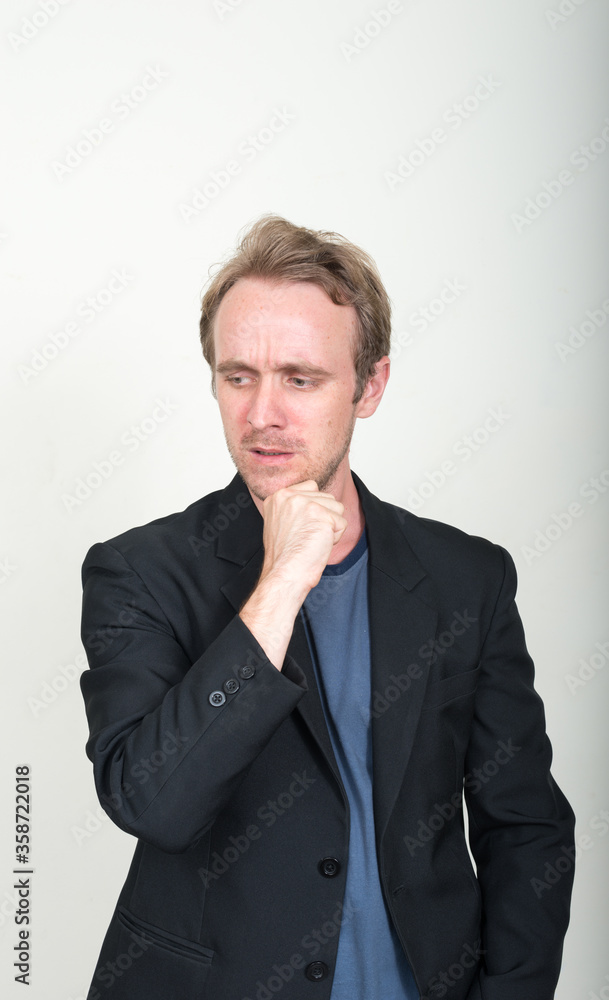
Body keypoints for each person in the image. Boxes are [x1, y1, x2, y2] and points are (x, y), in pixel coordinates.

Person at [79, 215, 575, 1000]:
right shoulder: (139, 571)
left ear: (369, 386)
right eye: (238, 376)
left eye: (300, 379)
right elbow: (154, 803)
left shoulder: (465, 577)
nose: (261, 414)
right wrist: (278, 583)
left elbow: (525, 825)